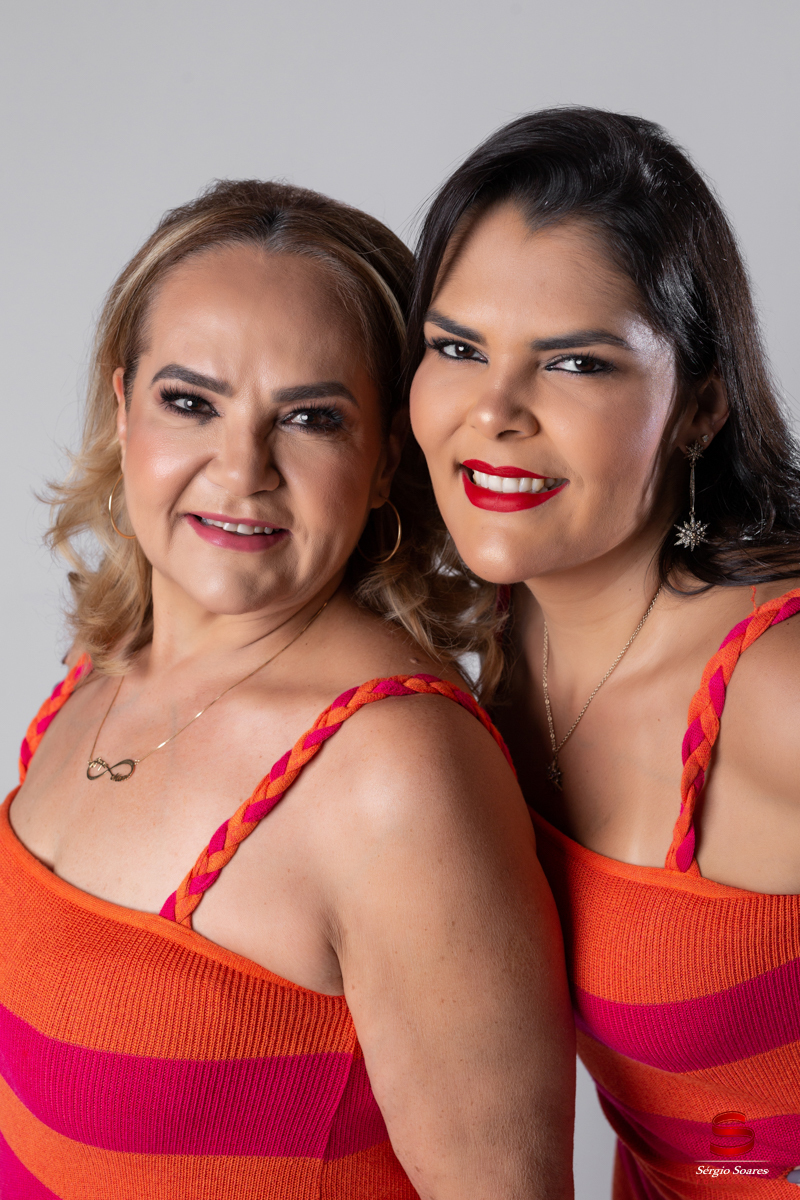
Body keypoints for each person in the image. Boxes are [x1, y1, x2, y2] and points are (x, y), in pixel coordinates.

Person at [0, 180, 575, 1198]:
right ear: (124, 407)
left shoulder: (393, 770)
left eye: (309, 418)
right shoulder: (105, 668)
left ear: (384, 455)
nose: (241, 469)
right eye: (191, 402)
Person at [408, 107, 800, 1198]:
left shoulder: (777, 692)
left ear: (700, 408)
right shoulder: (495, 622)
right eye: (456, 348)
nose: (494, 411)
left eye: (575, 364)